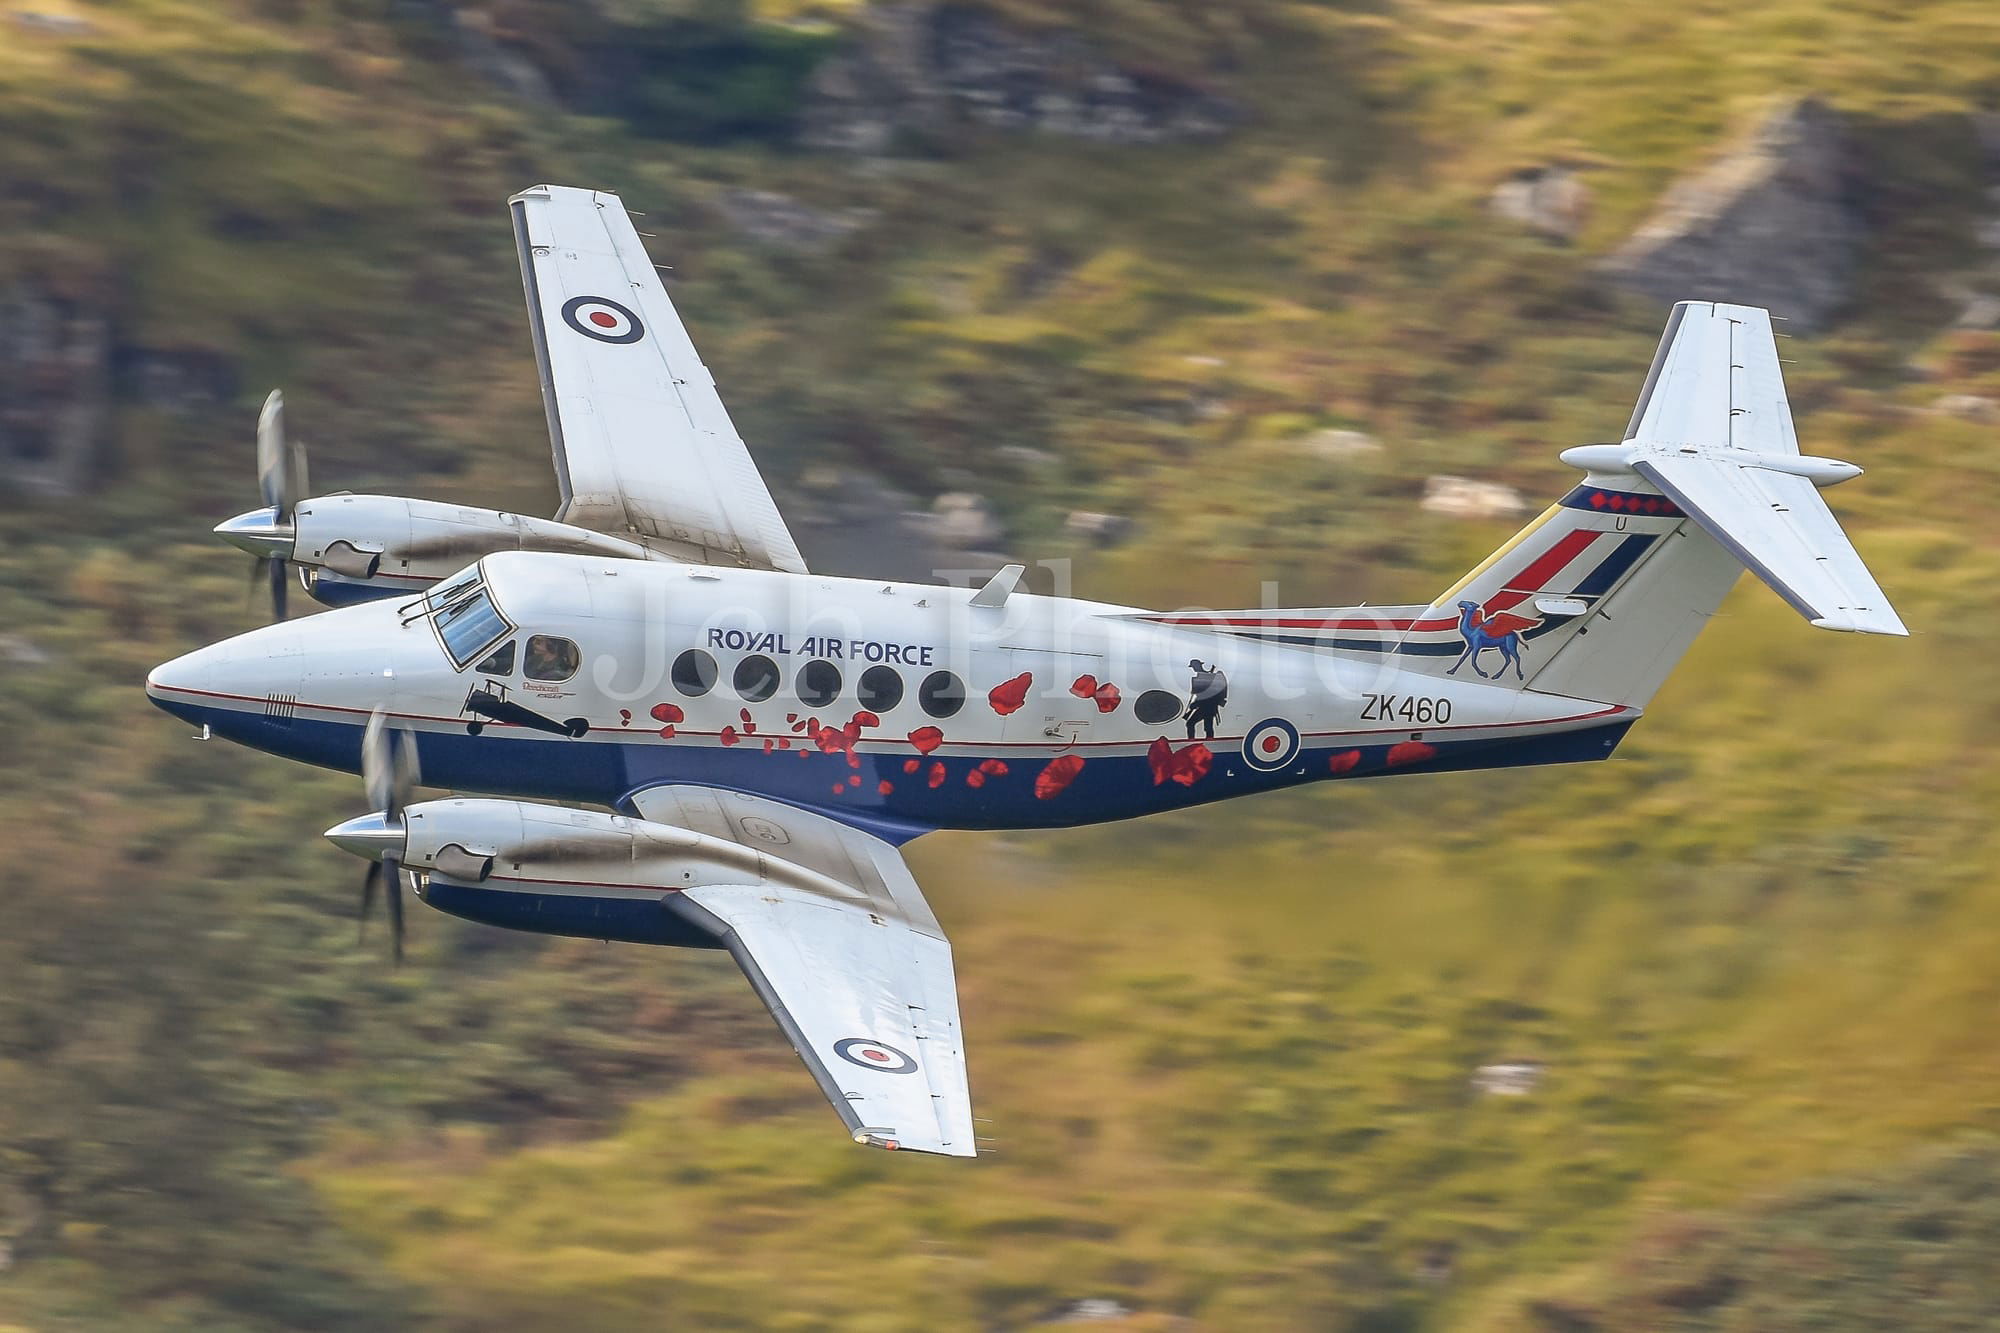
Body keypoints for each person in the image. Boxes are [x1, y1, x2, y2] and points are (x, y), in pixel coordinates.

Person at [1184, 658, 1227, 740]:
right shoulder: (1203, 676)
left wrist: (1196, 703)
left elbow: (1207, 693)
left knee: (1196, 724)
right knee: (1206, 726)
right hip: (1205, 705)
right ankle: (1194, 741)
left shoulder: (1207, 676)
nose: (1193, 668)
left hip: (1207, 705)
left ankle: (1193, 741)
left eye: (1194, 666)